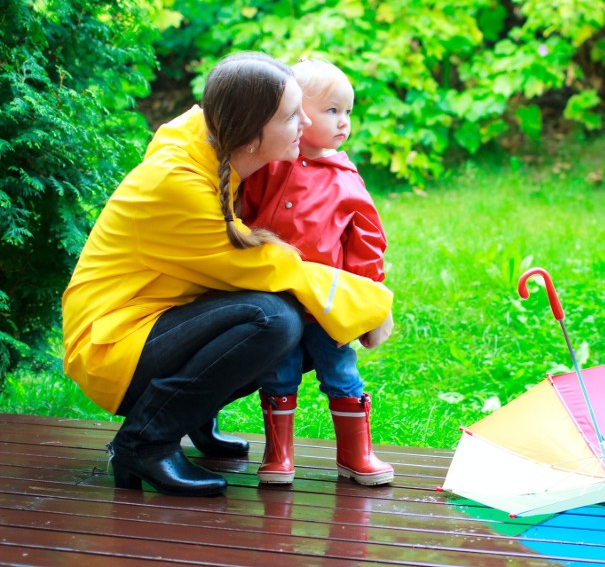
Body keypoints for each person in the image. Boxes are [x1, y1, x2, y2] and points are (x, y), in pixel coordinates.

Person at [61, 52, 394, 498]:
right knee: (273, 319)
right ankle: (144, 441)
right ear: (252, 135)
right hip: (113, 344)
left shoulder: (223, 151)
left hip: (160, 320)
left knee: (310, 323)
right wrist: (372, 305)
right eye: (292, 115)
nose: (305, 123)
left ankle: (193, 414)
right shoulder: (176, 183)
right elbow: (268, 266)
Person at [241, 58, 393, 486]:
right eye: (332, 111)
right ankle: (279, 455)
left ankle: (355, 454)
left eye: (348, 112)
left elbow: (367, 237)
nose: (344, 122)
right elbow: (243, 214)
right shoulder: (268, 167)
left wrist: (365, 294)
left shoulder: (345, 177)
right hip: (279, 300)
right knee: (279, 373)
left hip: (329, 303)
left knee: (341, 372)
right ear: (295, 113)